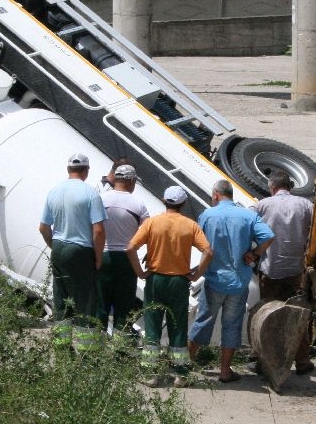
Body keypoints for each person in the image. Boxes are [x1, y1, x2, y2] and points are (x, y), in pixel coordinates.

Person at [126, 185, 213, 388]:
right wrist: (196, 274)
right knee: (178, 327)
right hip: (179, 281)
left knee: (153, 327)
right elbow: (208, 252)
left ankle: (150, 374)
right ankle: (181, 375)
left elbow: (130, 247)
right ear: (182, 204)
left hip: (156, 279)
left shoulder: (152, 223)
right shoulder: (190, 225)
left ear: (165, 201)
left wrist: (140, 272)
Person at [188, 180, 274, 383]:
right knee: (232, 325)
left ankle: (187, 362)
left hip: (214, 279)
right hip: (238, 281)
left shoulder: (208, 215)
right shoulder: (248, 216)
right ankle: (225, 371)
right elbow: (269, 236)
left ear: (216, 195)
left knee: (203, 321)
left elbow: (200, 244)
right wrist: (254, 253)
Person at [38, 153, 107, 352]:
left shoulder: (54, 191)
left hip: (59, 246)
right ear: (86, 170)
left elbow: (43, 227)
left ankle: (61, 349)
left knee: (61, 299)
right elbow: (99, 230)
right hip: (81, 250)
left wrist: (54, 247)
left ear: (68, 169)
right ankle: (87, 353)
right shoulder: (90, 194)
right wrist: (98, 257)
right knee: (85, 302)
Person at [251, 169, 316, 375]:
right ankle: (302, 361)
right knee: (297, 315)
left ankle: (266, 363)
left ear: (272, 187)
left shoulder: (263, 205)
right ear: (289, 186)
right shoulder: (306, 205)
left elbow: (246, 221)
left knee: (268, 316)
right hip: (296, 271)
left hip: (270, 270)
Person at [97, 163, 149, 342]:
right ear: (131, 181)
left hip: (102, 257)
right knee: (124, 307)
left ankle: (94, 350)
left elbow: (93, 229)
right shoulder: (138, 204)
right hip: (127, 260)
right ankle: (120, 352)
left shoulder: (100, 199)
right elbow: (148, 231)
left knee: (100, 305)